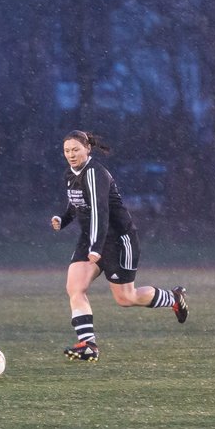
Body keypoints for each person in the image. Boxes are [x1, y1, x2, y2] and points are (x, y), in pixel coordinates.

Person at [50, 130, 187, 362]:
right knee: (75, 287)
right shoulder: (70, 174)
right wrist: (63, 219)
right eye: (67, 151)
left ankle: (173, 298)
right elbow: (76, 204)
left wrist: (96, 246)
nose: (71, 155)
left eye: (76, 150)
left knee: (126, 298)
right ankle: (88, 345)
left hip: (117, 240)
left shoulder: (95, 174)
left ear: (87, 149)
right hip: (90, 238)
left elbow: (100, 213)